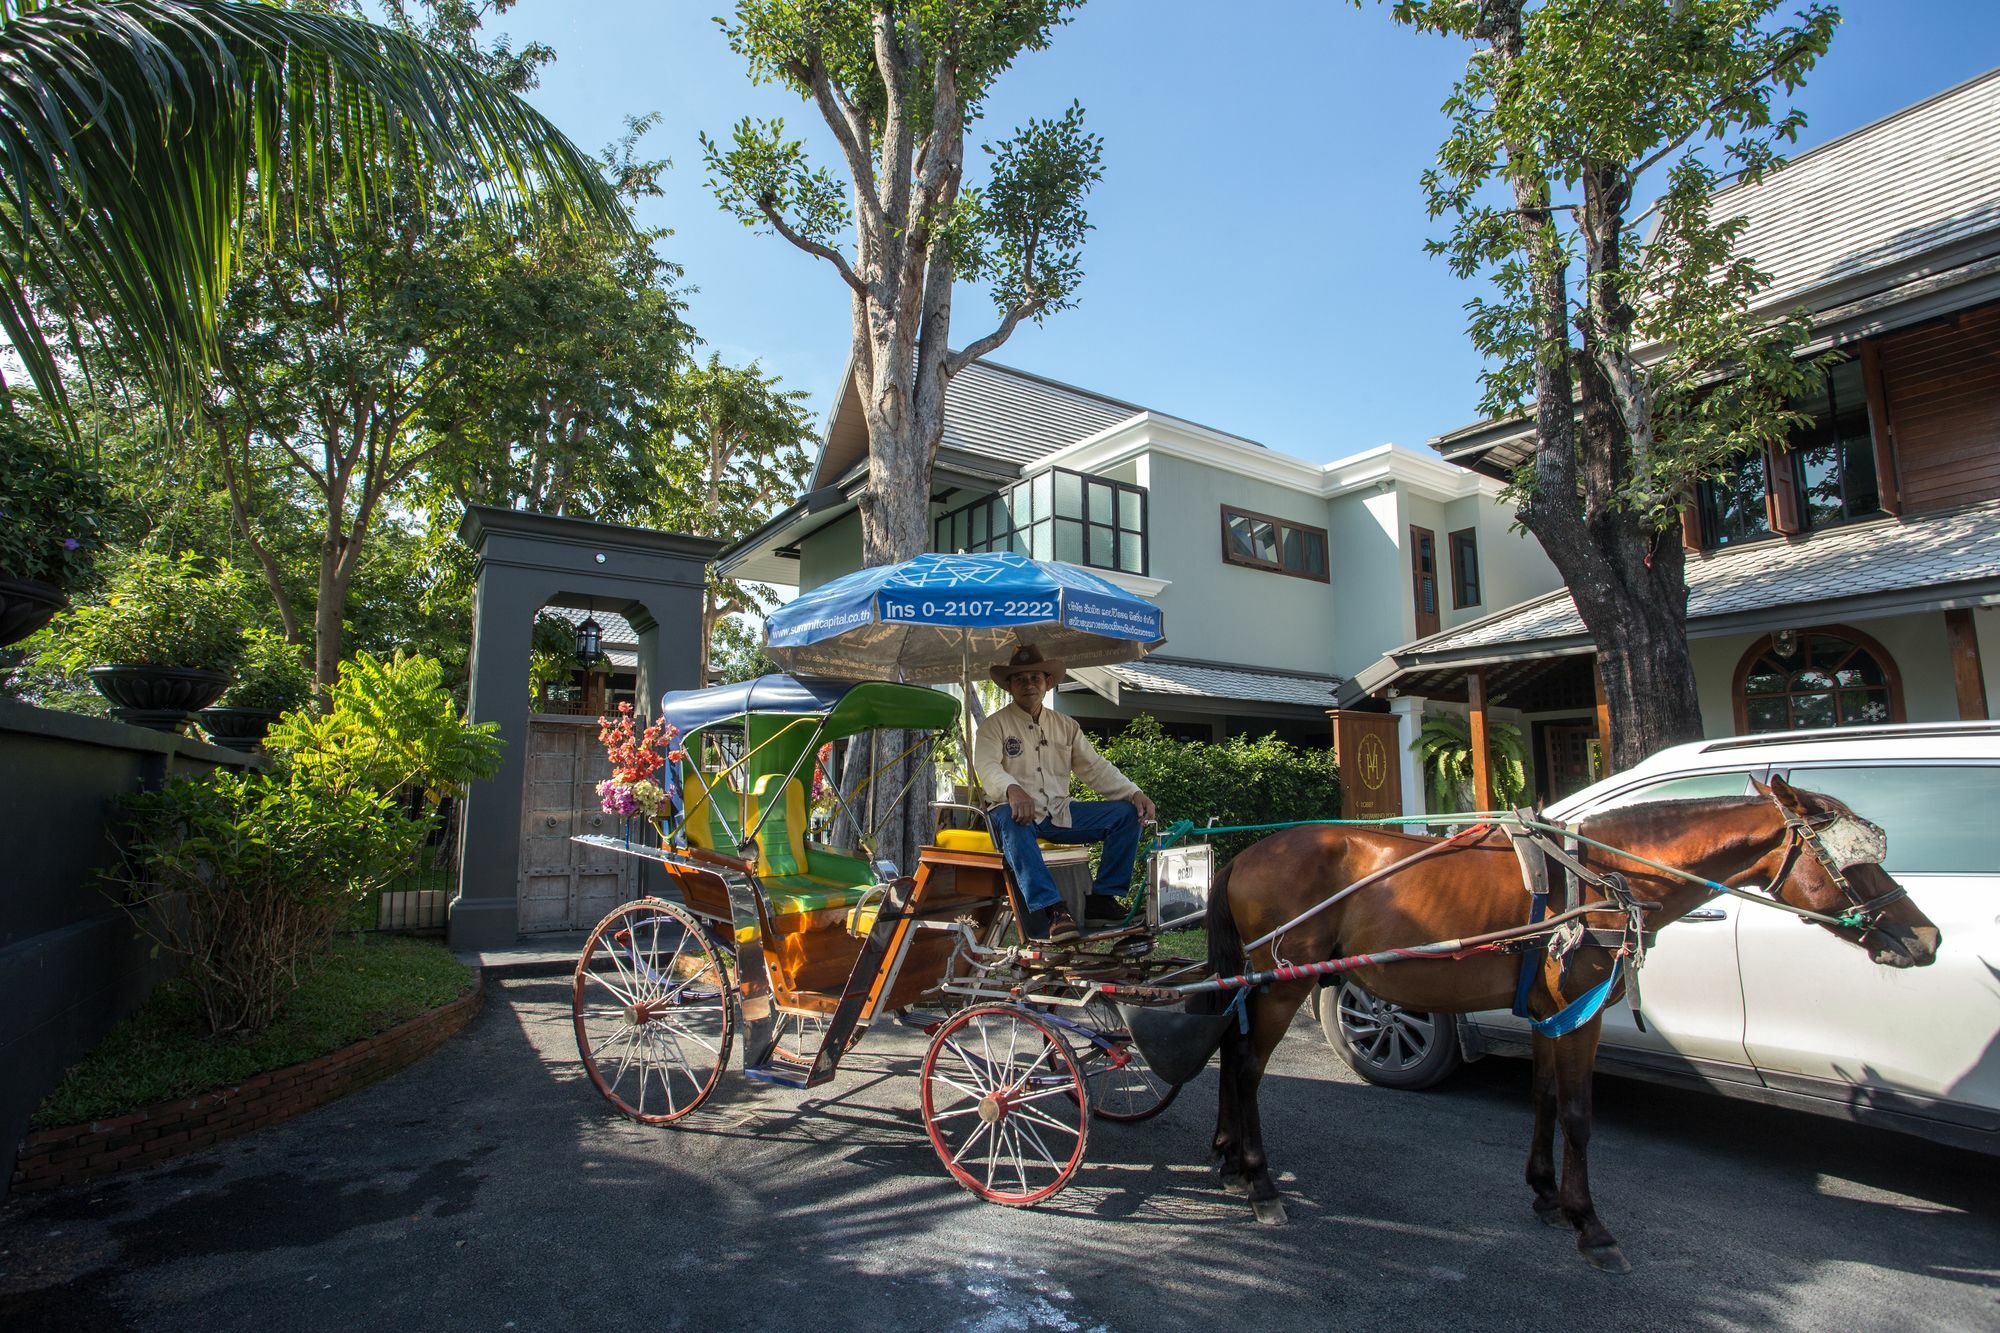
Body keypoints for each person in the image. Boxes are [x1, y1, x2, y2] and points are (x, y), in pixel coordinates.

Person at [973, 644, 1157, 943]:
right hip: (1013, 812)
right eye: (1019, 679)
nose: (1028, 684)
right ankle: (1053, 910)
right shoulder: (994, 726)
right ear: (1009, 686)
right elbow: (987, 766)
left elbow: (1095, 768)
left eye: (1035, 677)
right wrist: (1013, 789)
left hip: (1059, 812)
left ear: (1048, 683)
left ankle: (1102, 900)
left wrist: (1134, 792)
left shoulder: (1065, 725)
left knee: (1125, 815)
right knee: (1011, 816)